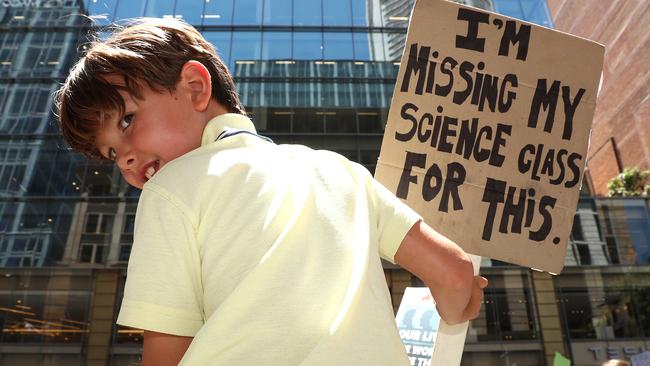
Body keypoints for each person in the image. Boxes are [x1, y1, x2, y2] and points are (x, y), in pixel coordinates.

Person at [55, 18, 487, 365]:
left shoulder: (171, 189)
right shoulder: (342, 172)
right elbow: (453, 273)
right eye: (111, 153)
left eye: (127, 120)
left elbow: (166, 350)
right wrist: (453, 310)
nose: (125, 159)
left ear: (195, 87)